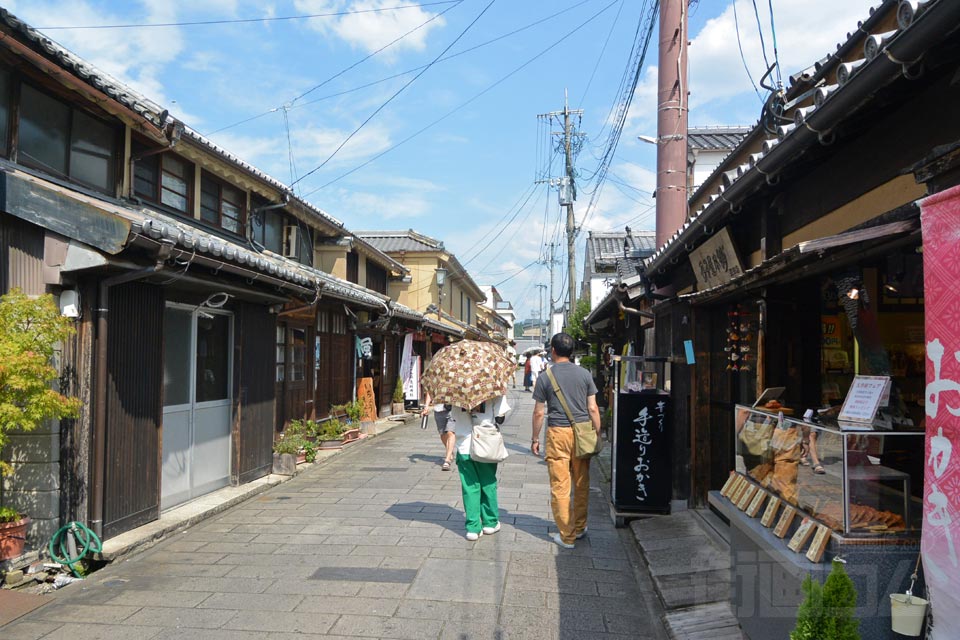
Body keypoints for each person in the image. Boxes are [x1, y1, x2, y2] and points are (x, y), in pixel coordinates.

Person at [531, 333, 601, 549]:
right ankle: (580, 528)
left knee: (560, 486)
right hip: (582, 433)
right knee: (581, 483)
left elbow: (539, 413)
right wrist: (596, 433)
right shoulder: (585, 374)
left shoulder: (545, 377)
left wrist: (535, 438)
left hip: (558, 434)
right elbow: (592, 408)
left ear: (553, 350)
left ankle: (567, 536)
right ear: (571, 352)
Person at [449, 394, 511, 541]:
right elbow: (500, 418)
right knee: (488, 482)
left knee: (470, 486)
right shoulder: (493, 389)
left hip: (464, 445)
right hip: (486, 444)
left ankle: (473, 528)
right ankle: (490, 522)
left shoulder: (454, 391)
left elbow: (453, 417)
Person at [421, 392, 454, 471]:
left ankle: (447, 459)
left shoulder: (453, 380)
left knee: (451, 432)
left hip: (452, 409)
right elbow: (429, 392)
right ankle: (449, 450)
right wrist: (426, 407)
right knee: (442, 434)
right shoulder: (435, 380)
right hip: (438, 409)